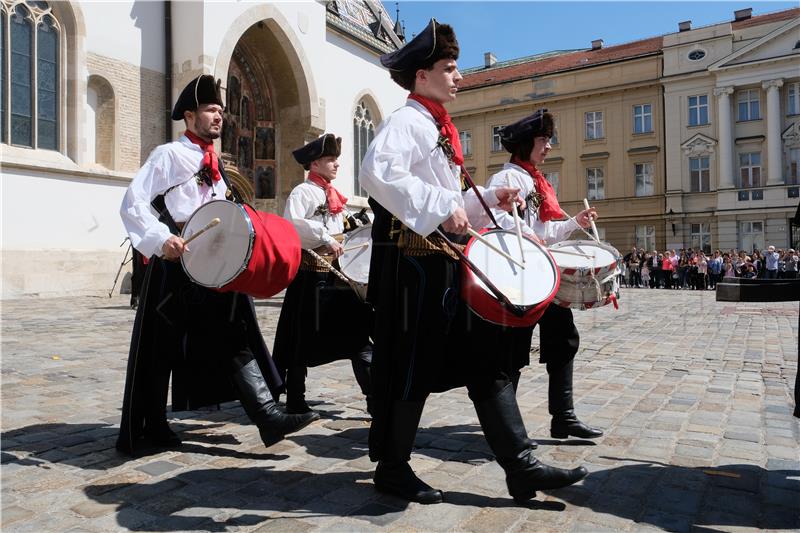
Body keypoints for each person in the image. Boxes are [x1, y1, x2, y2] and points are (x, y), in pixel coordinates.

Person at [359, 19, 587, 504]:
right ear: (422, 76)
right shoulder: (409, 122)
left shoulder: (434, 125)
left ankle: (520, 465)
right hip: (414, 267)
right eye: (449, 67)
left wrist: (488, 195)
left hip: (442, 264)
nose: (458, 75)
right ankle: (393, 469)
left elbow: (449, 196)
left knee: (487, 359)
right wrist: (447, 207)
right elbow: (376, 171)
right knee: (410, 366)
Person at [116, 75, 317, 455]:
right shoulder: (169, 155)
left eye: (221, 110)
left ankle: (267, 416)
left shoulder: (216, 164)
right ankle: (151, 426)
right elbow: (133, 202)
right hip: (176, 262)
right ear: (189, 116)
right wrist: (162, 240)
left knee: (234, 335)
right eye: (211, 109)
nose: (219, 116)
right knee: (161, 348)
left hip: (214, 266)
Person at [482, 109, 604, 445]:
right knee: (512, 353)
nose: (549, 146)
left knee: (564, 340)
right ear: (524, 144)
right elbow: (497, 223)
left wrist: (575, 222)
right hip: (517, 280)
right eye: (542, 140)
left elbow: (545, 231)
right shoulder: (505, 180)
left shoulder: (535, 181)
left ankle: (562, 418)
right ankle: (505, 429)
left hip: (542, 275)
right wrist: (530, 237)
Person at [272, 134, 373, 416]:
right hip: (310, 277)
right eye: (330, 159)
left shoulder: (333, 195)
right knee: (299, 339)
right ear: (314, 163)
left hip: (337, 276)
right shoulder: (302, 193)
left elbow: (340, 231)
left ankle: (374, 398)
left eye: (336, 159)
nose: (336, 164)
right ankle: (295, 399)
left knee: (357, 334)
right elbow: (292, 225)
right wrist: (323, 236)